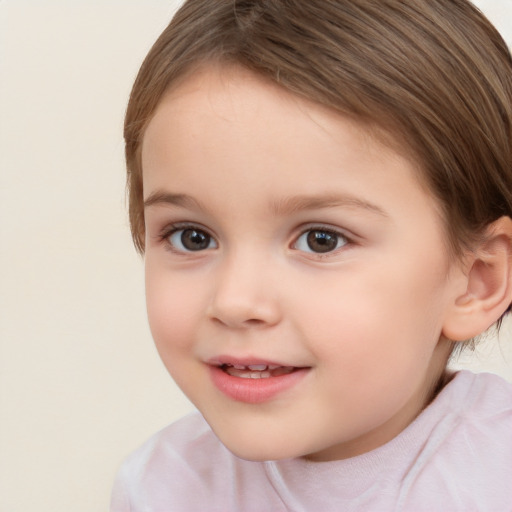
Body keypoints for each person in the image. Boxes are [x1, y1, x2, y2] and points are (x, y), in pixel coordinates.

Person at [111, 0, 512, 510]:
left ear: (478, 280)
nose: (235, 301)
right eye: (193, 237)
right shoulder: (160, 489)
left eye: (321, 239)